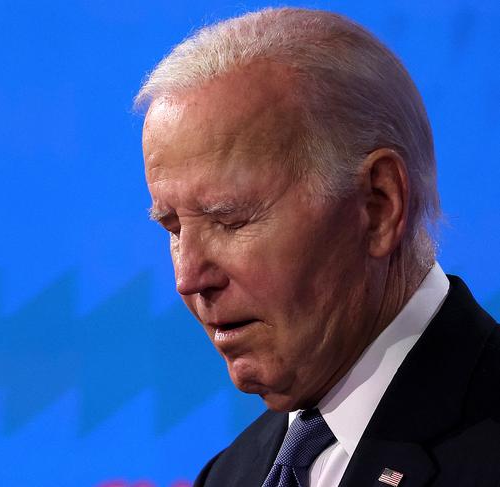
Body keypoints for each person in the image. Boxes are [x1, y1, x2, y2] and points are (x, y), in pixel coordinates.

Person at [135, 7, 500, 487]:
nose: (189, 278)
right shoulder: (230, 475)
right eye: (174, 229)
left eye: (230, 220)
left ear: (378, 206)